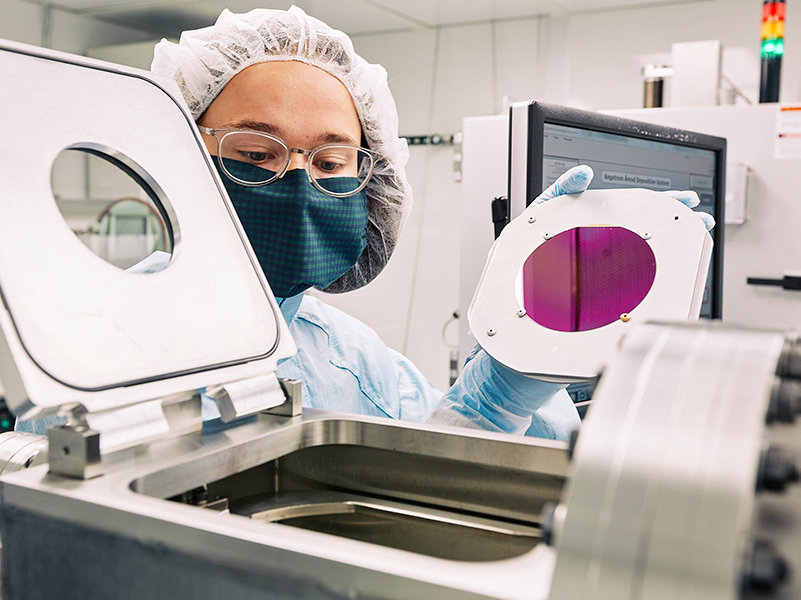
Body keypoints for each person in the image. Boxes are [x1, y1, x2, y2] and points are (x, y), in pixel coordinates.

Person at [16, 7, 711, 441]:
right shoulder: (98, 354)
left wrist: (498, 395)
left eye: (330, 160)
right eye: (255, 155)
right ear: (174, 157)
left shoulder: (350, 356)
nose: (297, 182)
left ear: (369, 177)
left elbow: (436, 478)